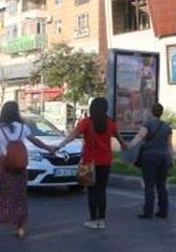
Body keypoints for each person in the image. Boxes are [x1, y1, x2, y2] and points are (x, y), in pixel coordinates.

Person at [0, 101, 56, 240]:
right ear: (16, 112)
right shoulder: (23, 128)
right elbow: (36, 142)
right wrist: (49, 148)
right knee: (19, 198)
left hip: (3, 167)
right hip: (19, 168)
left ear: (4, 113)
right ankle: (21, 229)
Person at [52, 97, 127, 230]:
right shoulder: (110, 123)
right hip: (105, 161)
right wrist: (125, 145)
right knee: (102, 191)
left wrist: (59, 145)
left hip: (89, 161)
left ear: (92, 108)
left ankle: (93, 220)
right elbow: (121, 140)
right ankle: (102, 220)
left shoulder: (86, 122)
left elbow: (73, 135)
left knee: (91, 191)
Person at [127, 103, 174, 220]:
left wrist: (128, 145)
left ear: (151, 112)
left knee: (149, 186)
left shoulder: (147, 124)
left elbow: (139, 137)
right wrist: (171, 160)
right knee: (162, 186)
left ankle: (148, 212)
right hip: (163, 158)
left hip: (149, 158)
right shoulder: (167, 127)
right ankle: (163, 211)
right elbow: (170, 146)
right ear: (161, 113)